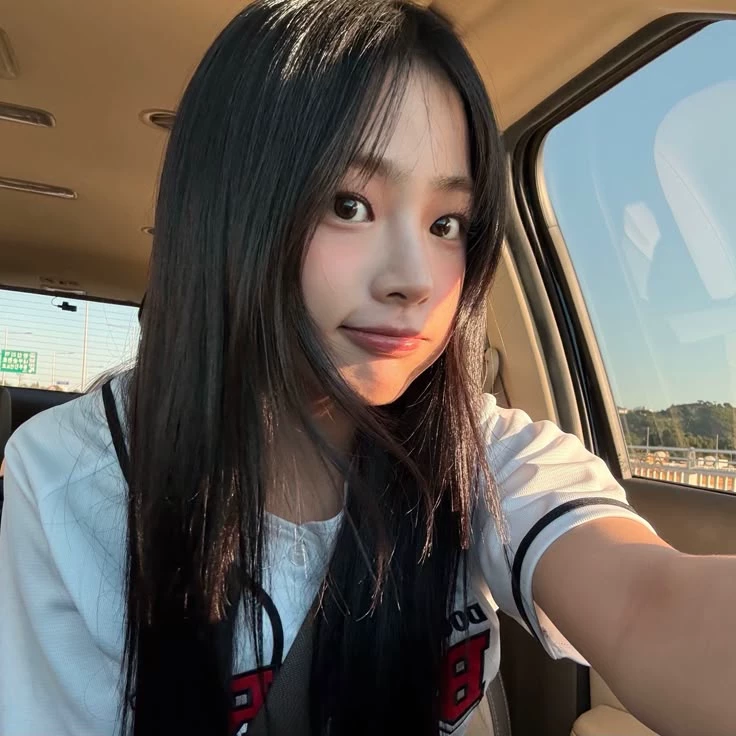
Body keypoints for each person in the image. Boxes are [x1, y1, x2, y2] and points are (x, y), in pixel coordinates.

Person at [0, 2, 734, 735]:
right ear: (230, 210)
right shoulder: (71, 481)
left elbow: (645, 605)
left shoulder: (483, 453)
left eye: (446, 224)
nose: (414, 279)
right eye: (349, 205)